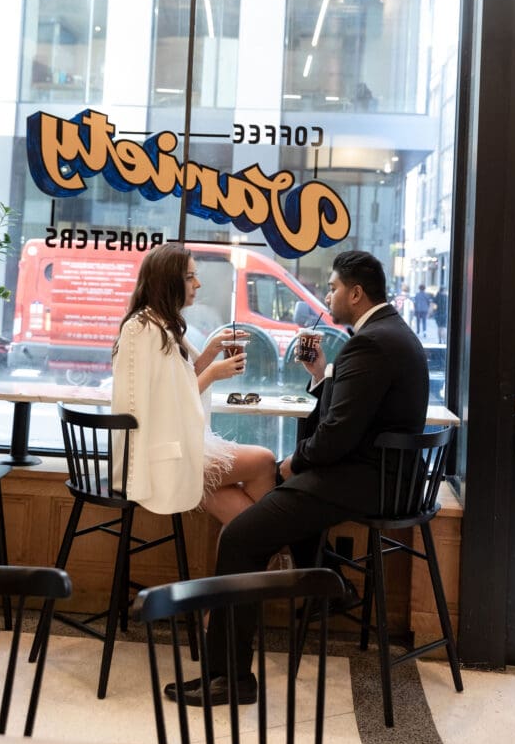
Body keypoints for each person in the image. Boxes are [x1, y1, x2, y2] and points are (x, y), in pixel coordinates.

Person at [165, 249, 429, 707]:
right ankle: (324, 579)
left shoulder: (371, 344)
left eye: (332, 287)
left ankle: (230, 677)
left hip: (363, 481)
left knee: (241, 538)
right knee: (272, 512)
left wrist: (292, 463)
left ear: (356, 292)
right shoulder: (393, 335)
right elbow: (355, 417)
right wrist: (320, 375)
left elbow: (334, 441)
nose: (329, 296)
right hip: (386, 478)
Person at [111, 243, 277, 525]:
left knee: (227, 496)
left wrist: (210, 352)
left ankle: (260, 557)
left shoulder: (160, 323)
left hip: (167, 444)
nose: (198, 284)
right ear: (168, 281)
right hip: (154, 458)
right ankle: (272, 554)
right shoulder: (142, 329)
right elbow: (166, 403)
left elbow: (176, 383)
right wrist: (213, 373)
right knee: (264, 460)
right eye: (189, 277)